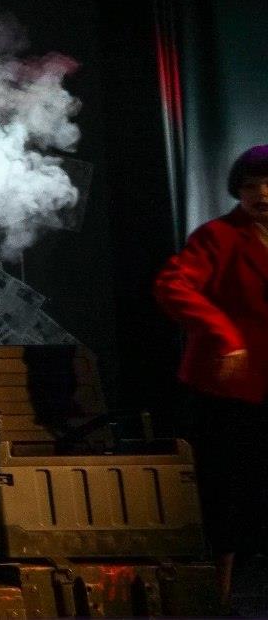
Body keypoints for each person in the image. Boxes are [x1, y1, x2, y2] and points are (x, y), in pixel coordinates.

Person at [155, 145, 268, 608]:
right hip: (225, 387)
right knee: (225, 493)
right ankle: (216, 598)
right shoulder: (217, 236)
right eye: (251, 186)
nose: (262, 194)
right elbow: (172, 285)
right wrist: (224, 334)